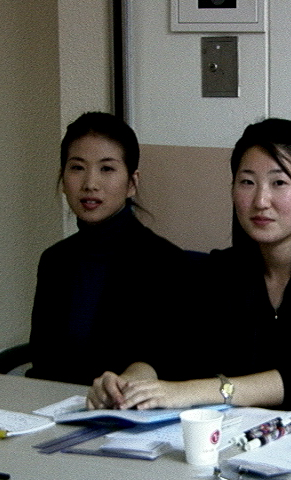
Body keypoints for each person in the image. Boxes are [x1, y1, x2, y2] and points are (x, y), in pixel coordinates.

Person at [87, 118, 291, 421]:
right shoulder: (218, 272)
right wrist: (130, 382)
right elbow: (167, 349)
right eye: (247, 182)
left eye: (279, 183)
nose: (260, 201)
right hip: (234, 437)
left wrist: (202, 391)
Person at [26, 111, 192, 387]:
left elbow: (169, 363)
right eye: (77, 168)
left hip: (126, 407)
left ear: (132, 183)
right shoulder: (55, 260)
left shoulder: (166, 263)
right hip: (57, 405)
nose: (90, 184)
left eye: (107, 169)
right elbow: (43, 362)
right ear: (63, 179)